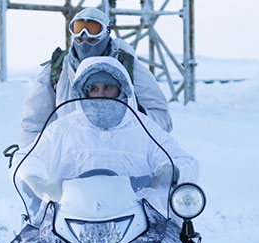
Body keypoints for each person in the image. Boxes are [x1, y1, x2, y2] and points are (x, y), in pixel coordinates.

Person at [12, 56, 197, 218]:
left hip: (140, 223)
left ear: (122, 89)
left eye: (108, 87)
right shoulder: (62, 129)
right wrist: (38, 182)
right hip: (69, 223)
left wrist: (168, 173)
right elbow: (26, 158)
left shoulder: (143, 127)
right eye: (94, 88)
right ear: (83, 92)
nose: (101, 94)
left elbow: (184, 160)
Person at [18, 7, 173, 153]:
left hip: (124, 161)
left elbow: (162, 118)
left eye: (93, 30)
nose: (85, 38)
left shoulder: (128, 67)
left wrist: (136, 116)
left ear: (106, 32)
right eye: (79, 29)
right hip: (70, 163)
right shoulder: (57, 70)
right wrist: (31, 161)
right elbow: (33, 123)